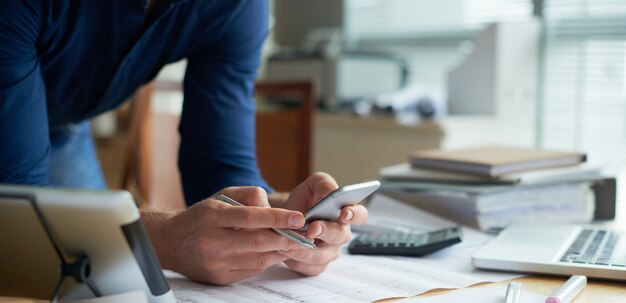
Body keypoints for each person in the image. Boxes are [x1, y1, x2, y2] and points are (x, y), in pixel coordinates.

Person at [0, 0, 368, 284]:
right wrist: (165, 240)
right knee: (34, 262)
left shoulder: (237, 7)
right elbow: (17, 213)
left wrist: (280, 217)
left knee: (90, 282)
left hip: (64, 121)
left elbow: (220, 173)